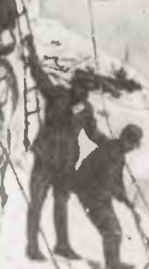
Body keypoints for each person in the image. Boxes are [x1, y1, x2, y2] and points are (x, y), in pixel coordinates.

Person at [25, 35, 109, 261]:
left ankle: (62, 245)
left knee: (61, 205)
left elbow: (93, 135)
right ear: (74, 85)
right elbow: (39, 75)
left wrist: (112, 145)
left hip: (65, 164)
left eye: (87, 89)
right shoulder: (57, 95)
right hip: (45, 159)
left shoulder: (86, 109)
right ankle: (32, 246)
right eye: (81, 87)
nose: (84, 92)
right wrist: (31, 52)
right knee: (37, 203)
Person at [75, 124, 143, 269]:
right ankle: (112, 265)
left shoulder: (119, 154)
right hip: (90, 194)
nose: (132, 148)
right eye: (132, 144)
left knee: (115, 231)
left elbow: (118, 181)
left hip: (100, 196)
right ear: (125, 139)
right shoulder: (110, 151)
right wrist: (120, 195)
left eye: (134, 145)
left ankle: (113, 263)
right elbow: (107, 179)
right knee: (112, 231)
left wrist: (127, 202)